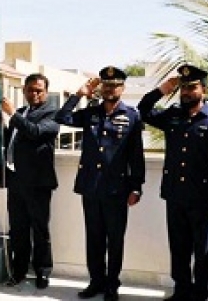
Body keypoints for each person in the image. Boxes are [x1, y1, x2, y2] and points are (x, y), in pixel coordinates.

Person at [55, 67, 145, 301]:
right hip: (91, 187)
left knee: (115, 239)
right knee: (94, 237)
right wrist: (79, 94)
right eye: (106, 85)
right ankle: (96, 281)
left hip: (117, 189)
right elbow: (61, 117)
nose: (110, 89)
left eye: (114, 85)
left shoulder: (132, 116)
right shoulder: (90, 113)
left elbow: (136, 156)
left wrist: (137, 187)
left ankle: (112, 285)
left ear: (122, 89)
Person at [138, 64, 208, 301]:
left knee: (202, 249)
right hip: (174, 194)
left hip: (203, 196)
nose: (186, 92)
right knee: (179, 247)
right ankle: (181, 290)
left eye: (191, 87)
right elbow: (143, 110)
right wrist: (162, 90)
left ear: (203, 90)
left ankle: (200, 292)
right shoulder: (172, 115)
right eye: (183, 88)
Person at [0, 73, 59, 289]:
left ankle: (42, 271)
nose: (34, 93)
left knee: (40, 229)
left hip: (38, 183)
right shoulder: (21, 113)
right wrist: (3, 125)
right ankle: (19, 270)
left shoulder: (52, 113)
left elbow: (34, 132)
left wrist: (12, 114)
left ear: (46, 92)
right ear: (24, 91)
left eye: (39, 90)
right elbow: (12, 141)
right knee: (18, 229)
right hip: (16, 181)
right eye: (31, 89)